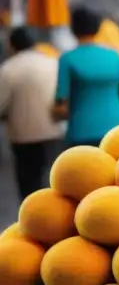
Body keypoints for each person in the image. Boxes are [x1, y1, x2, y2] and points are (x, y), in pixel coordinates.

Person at [0, 27, 65, 199]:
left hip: (23, 135)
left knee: (28, 181)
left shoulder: (8, 69)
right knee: (52, 177)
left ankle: (31, 218)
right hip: (53, 130)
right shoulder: (53, 63)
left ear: (12, 45)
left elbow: (1, 103)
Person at [54, 6, 119, 148]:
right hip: (118, 129)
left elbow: (61, 104)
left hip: (82, 131)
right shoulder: (115, 56)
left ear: (73, 29)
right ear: (97, 28)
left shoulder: (67, 59)